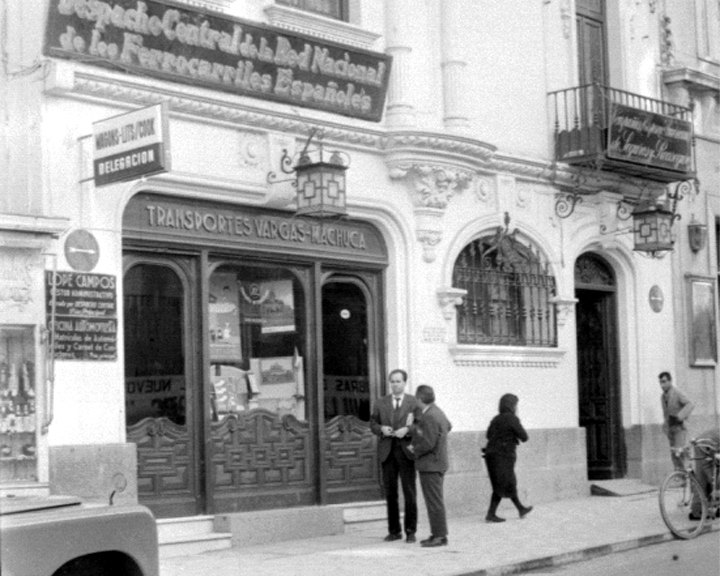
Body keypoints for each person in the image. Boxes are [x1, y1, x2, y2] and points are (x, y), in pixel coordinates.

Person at [369, 369, 419, 543]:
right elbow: (373, 422)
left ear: (405, 383)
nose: (395, 384)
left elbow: (421, 424)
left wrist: (407, 430)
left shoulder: (413, 402)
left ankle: (411, 531)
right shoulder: (381, 402)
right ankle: (394, 530)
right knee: (391, 493)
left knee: (409, 492)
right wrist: (381, 429)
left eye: (398, 381)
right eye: (392, 381)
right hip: (387, 451)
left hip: (406, 452)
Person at [409, 384, 452, 548]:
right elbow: (448, 426)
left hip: (430, 465)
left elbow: (428, 442)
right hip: (438, 462)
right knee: (435, 501)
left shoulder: (429, 416)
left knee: (434, 502)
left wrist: (415, 448)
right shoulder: (437, 411)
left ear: (419, 399)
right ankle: (437, 533)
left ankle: (440, 536)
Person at [483, 393, 533, 523]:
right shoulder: (512, 419)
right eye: (516, 405)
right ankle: (491, 514)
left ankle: (520, 508)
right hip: (503, 456)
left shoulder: (496, 419)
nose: (517, 407)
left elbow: (488, 435)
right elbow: (524, 437)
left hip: (492, 455)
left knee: (508, 483)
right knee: (503, 484)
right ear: (512, 406)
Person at [659, 371, 695, 471]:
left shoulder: (677, 392)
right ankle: (679, 476)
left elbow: (690, 404)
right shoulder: (663, 397)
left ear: (670, 381)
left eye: (664, 382)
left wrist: (680, 417)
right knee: (674, 454)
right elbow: (665, 413)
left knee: (680, 453)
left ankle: (685, 477)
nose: (662, 385)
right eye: (661, 383)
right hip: (671, 429)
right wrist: (666, 427)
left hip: (680, 428)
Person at [690, 427, 720, 520]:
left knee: (701, 476)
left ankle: (697, 510)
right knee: (712, 476)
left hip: (700, 442)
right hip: (710, 444)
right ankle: (716, 500)